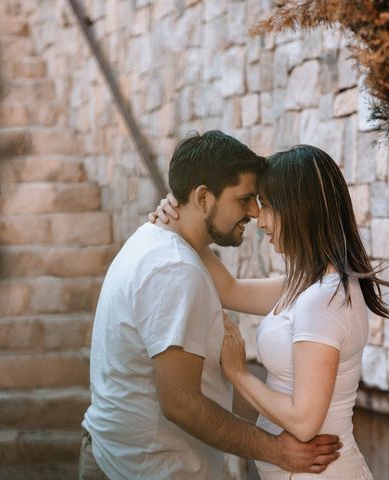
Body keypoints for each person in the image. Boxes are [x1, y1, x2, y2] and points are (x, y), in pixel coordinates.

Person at [80, 131, 341, 480]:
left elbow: (232, 289)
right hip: (141, 470)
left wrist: (177, 213)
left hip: (134, 462)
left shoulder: (160, 243)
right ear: (203, 197)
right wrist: (276, 450)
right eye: (246, 198)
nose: (255, 213)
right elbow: (181, 403)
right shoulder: (174, 268)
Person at [152, 144, 389, 479]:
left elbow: (304, 420)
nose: (260, 220)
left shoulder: (322, 300)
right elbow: (229, 290)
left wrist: (238, 373)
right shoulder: (308, 285)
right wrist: (183, 223)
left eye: (267, 206)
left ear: (298, 209)